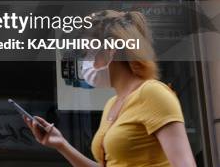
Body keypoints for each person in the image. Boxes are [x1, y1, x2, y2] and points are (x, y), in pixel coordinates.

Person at [24, 10, 196, 167]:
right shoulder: (112, 104)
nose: (84, 63)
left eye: (86, 53)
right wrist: (61, 144)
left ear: (111, 50)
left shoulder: (153, 94)